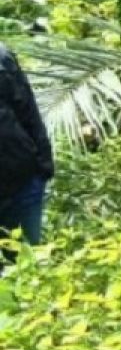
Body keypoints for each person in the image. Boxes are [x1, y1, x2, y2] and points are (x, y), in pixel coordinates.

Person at [0, 42, 53, 248]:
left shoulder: (2, 58)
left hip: (22, 183)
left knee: (28, 267)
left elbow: (29, 112)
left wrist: (43, 169)